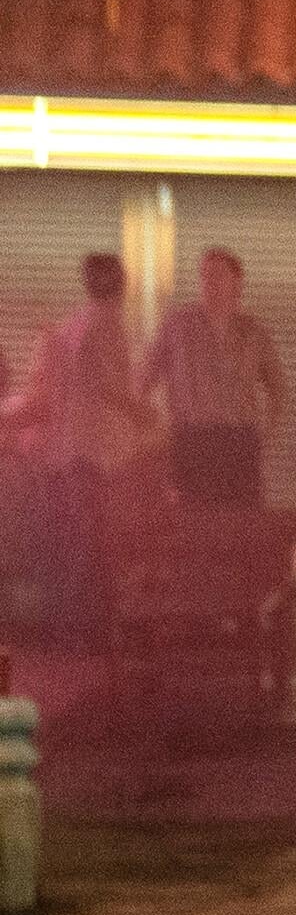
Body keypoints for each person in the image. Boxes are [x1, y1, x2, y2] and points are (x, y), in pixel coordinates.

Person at [6, 253, 159, 631]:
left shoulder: (75, 323)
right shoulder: (108, 324)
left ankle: (68, 625)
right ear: (121, 284)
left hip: (71, 450)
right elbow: (108, 385)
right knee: (94, 542)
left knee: (75, 540)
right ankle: (88, 627)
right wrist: (143, 414)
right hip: (97, 451)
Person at [142, 247, 284, 509]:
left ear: (237, 283)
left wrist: (264, 436)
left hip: (239, 442)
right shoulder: (178, 326)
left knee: (241, 520)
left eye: (218, 275)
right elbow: (144, 380)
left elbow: (279, 391)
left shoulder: (253, 332)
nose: (210, 283)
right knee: (192, 519)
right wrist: (156, 432)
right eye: (204, 276)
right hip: (191, 441)